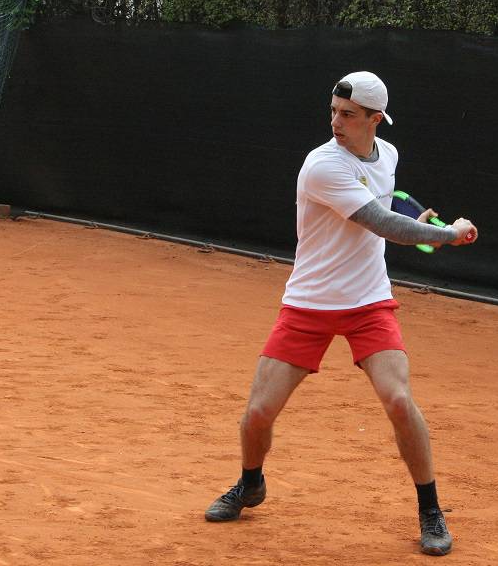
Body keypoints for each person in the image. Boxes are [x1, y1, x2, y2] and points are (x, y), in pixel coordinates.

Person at [204, 71, 478, 556]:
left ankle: (430, 509)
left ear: (375, 119)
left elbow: (385, 205)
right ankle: (250, 483)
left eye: (348, 115)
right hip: (308, 303)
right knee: (257, 414)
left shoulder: (388, 154)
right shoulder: (321, 165)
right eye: (333, 111)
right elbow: (382, 223)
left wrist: (416, 222)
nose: (336, 122)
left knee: (398, 400)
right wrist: (448, 234)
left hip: (369, 301)